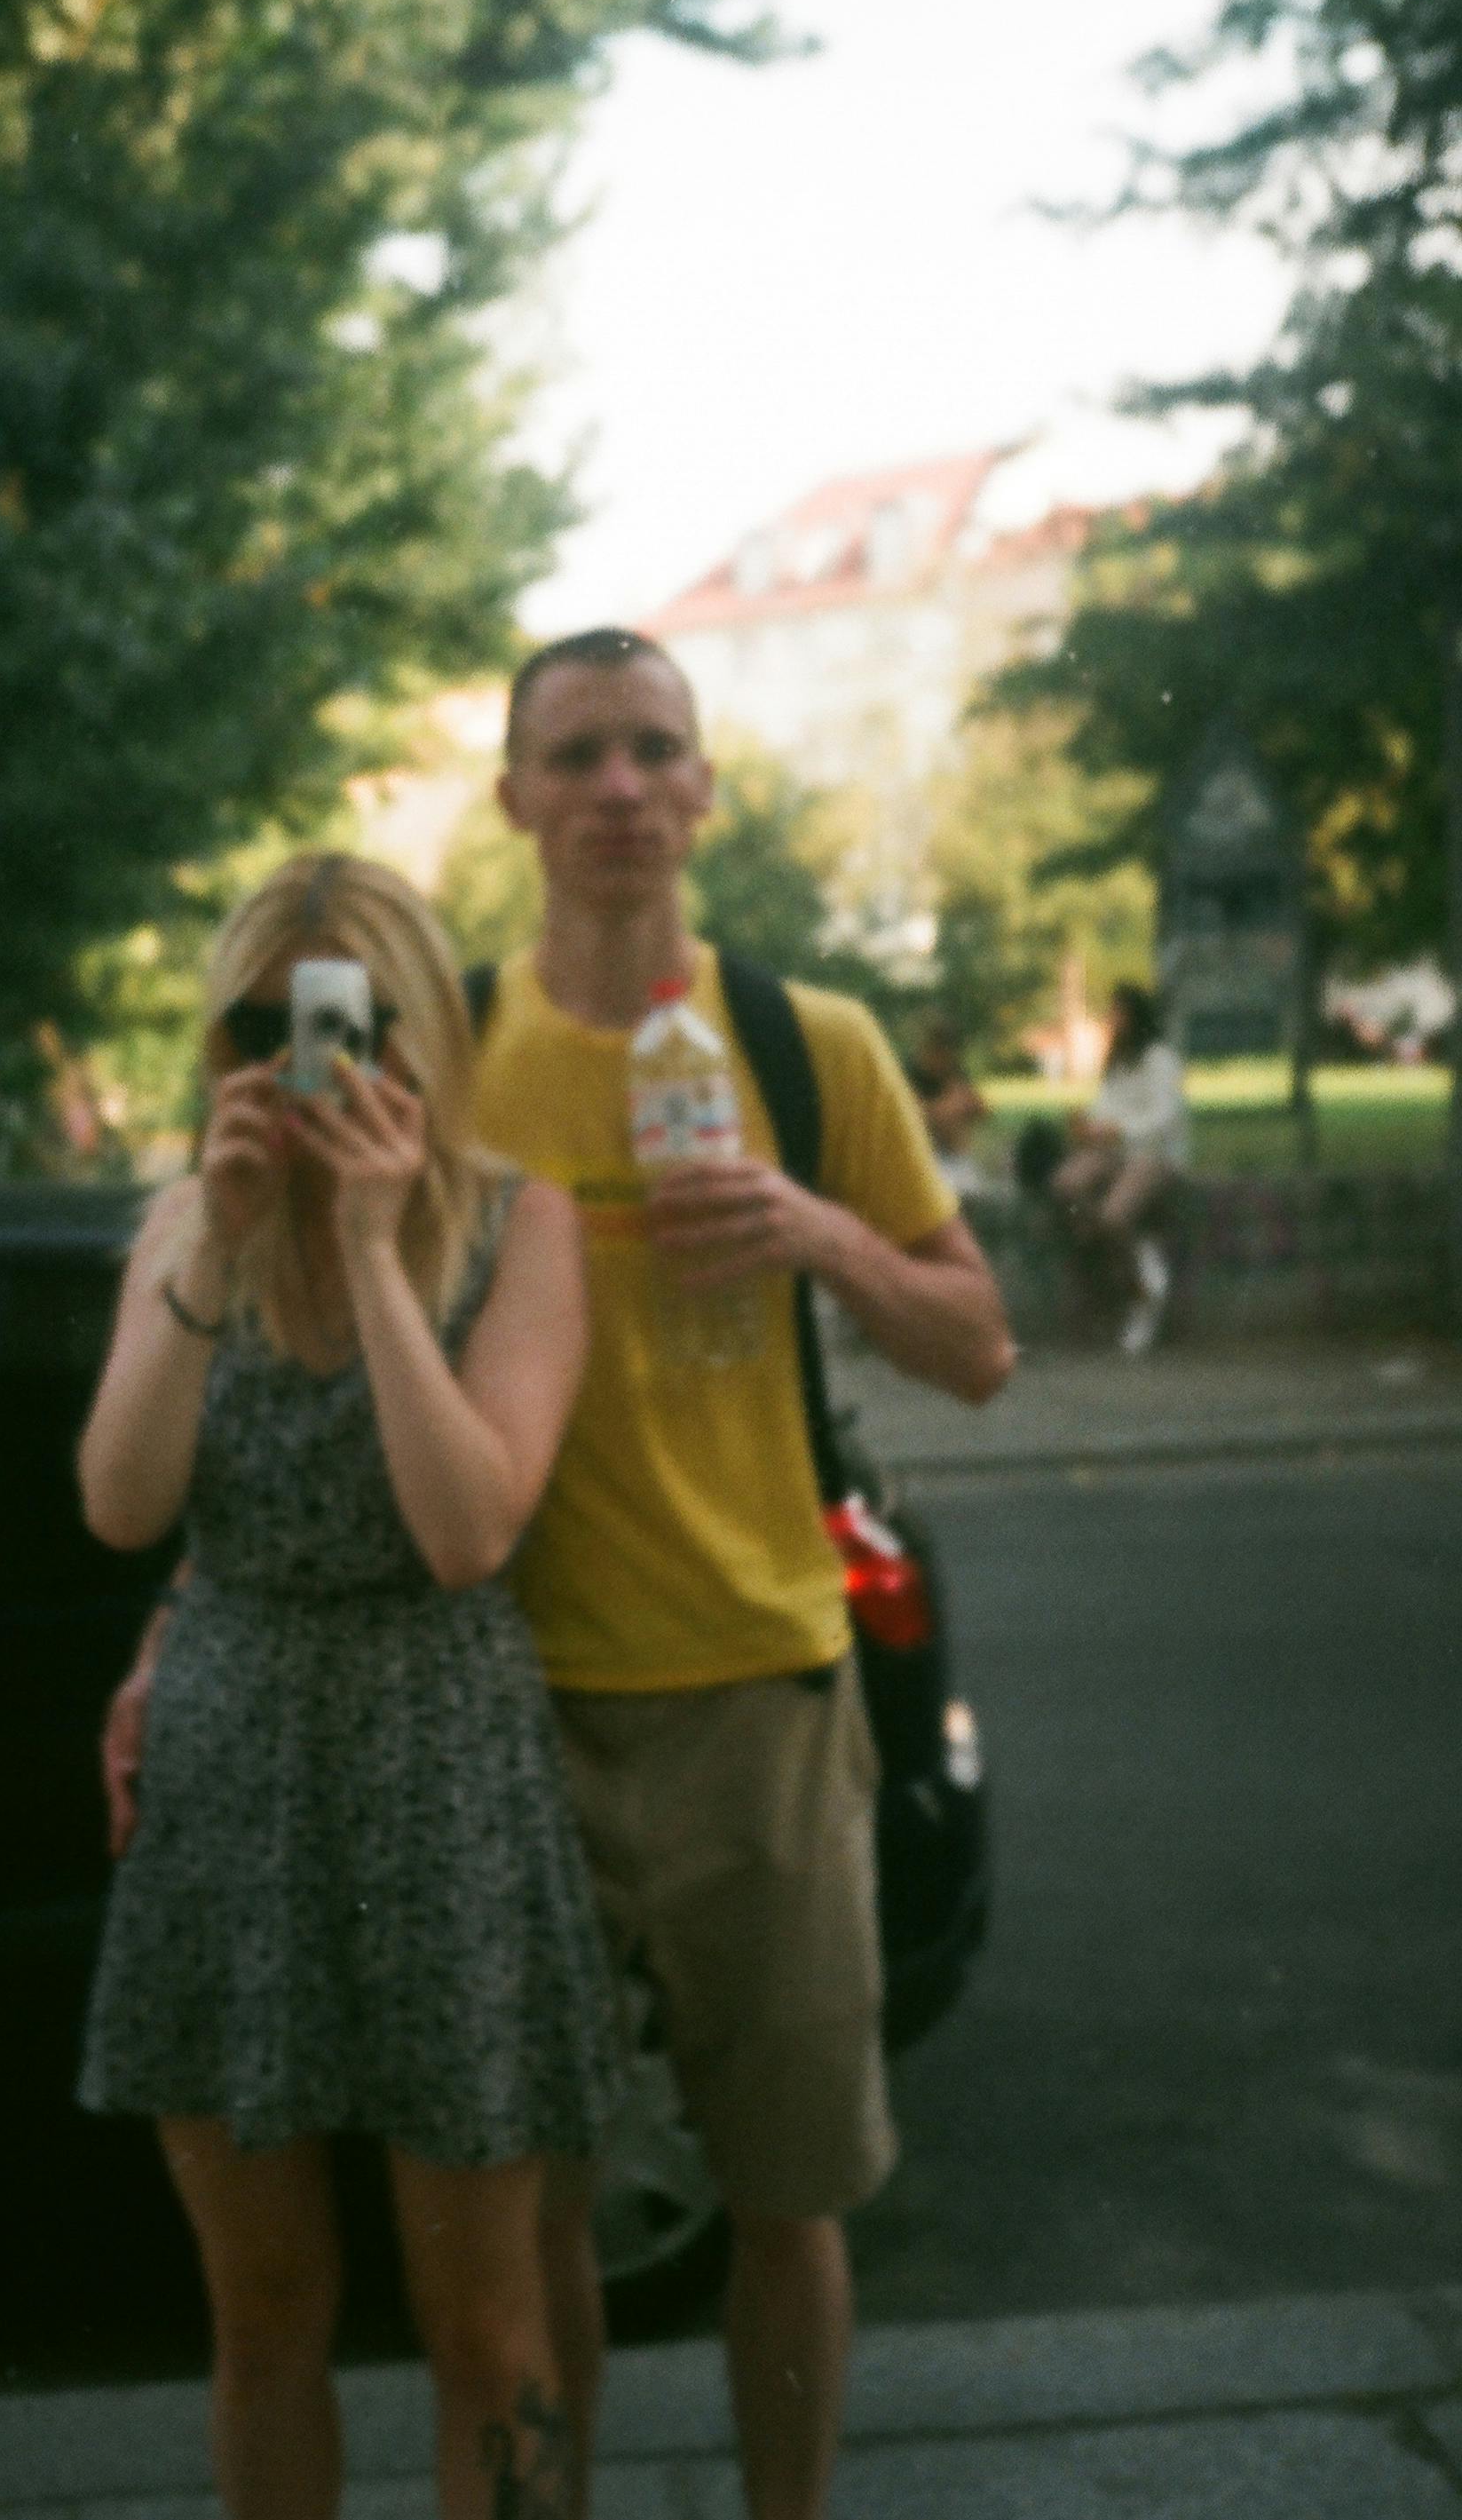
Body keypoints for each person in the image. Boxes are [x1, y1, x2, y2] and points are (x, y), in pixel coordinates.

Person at [472, 629, 1015, 2520]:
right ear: (516, 798)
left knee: (783, 2195)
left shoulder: (811, 1042)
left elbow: (977, 1344)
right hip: (509, 1705)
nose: (616, 785)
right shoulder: (455, 1049)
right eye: (574, 754)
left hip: (763, 1697)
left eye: (652, 749)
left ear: (702, 790)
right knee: (532, 2200)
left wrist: (811, 1231)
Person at [77, 852, 620, 2520]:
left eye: (345, 1022)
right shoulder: (183, 1222)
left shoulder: (518, 1221)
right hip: (234, 1779)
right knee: (263, 2314)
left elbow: (466, 1530)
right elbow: (120, 1500)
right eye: (261, 1024)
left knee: (479, 2317)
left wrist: (379, 1253)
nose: (302, 1062)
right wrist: (215, 1254)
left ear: (421, 1033)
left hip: (436, 1766)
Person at [1048, 980, 1189, 1355]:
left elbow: (1166, 1118)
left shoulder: (1160, 1059)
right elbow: (1106, 1106)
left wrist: (1118, 1129)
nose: (1112, 1020)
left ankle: (1144, 1290)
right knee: (1066, 1184)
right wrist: (1089, 1125)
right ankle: (1105, 1253)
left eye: (1118, 1013)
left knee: (1114, 1216)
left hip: (1154, 1153)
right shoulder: (1116, 1060)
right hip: (1117, 1151)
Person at [904, 1016, 991, 1196]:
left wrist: (962, 1105)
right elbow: (914, 1114)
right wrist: (947, 1108)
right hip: (922, 1157)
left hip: (955, 1155)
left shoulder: (953, 1072)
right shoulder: (911, 1074)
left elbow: (980, 1109)